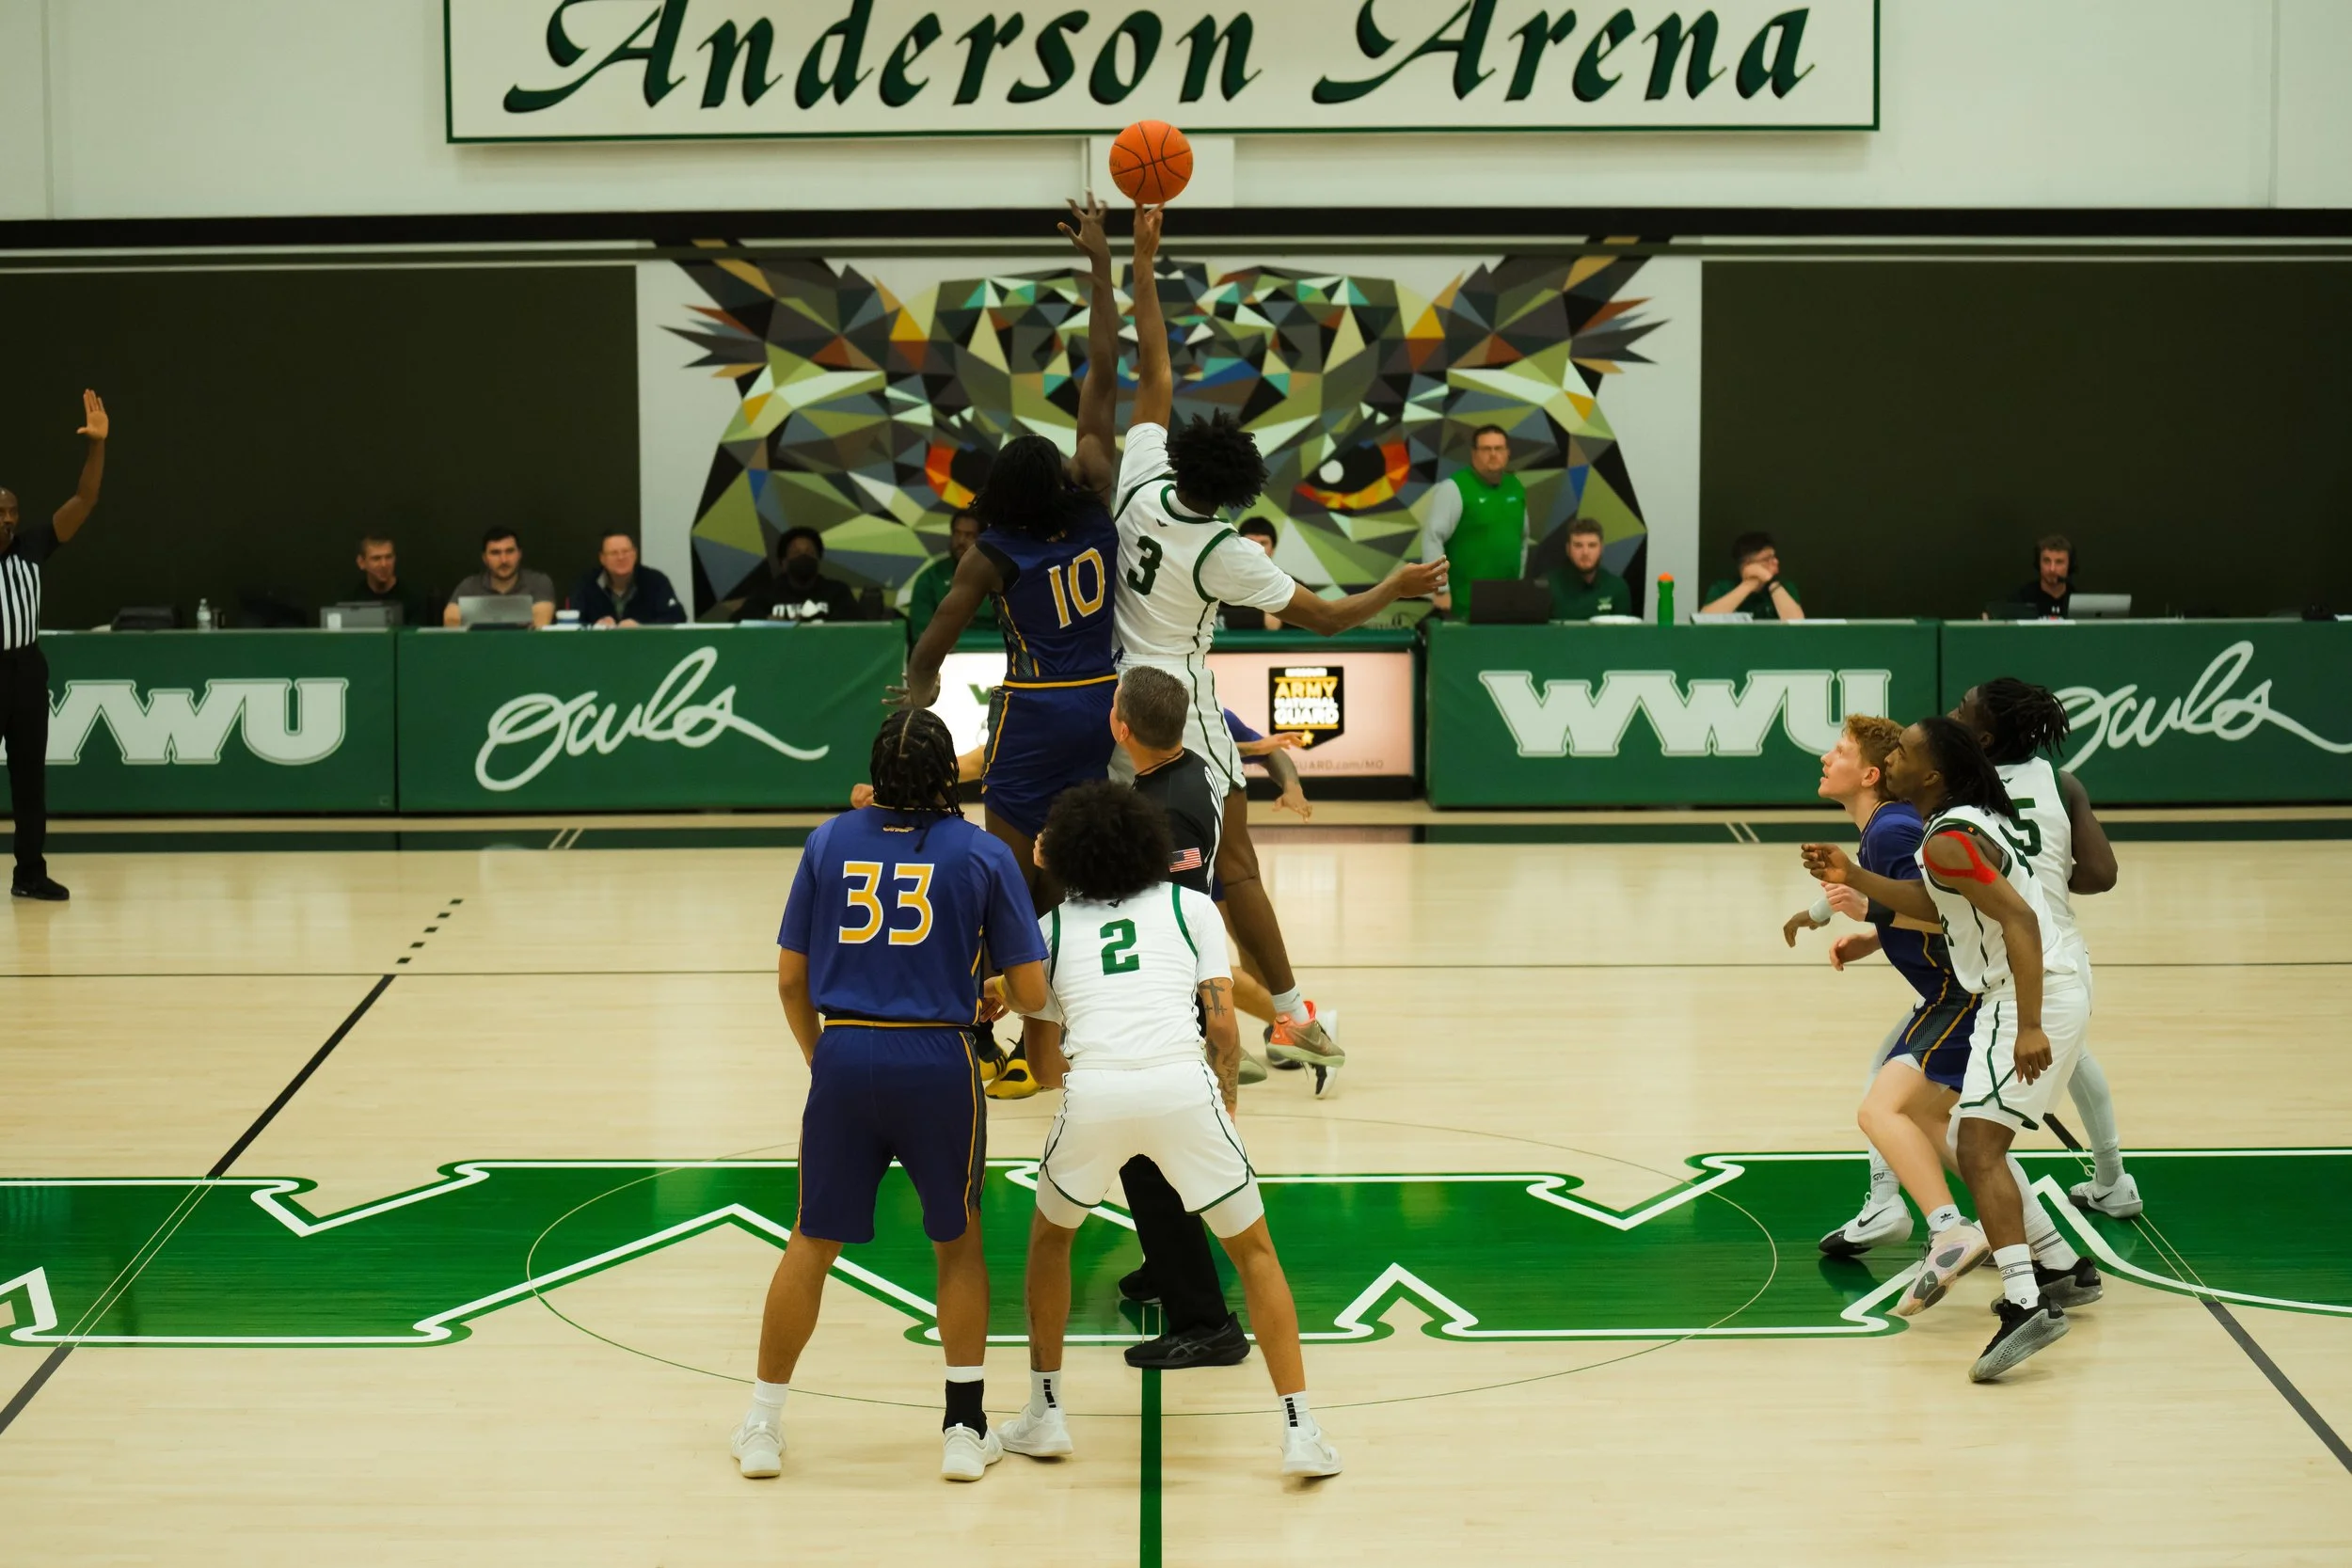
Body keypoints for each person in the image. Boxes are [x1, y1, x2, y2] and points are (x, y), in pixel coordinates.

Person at [1117, 203, 1447, 1077]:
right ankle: (1290, 1016)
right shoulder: (1223, 552)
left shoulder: (1139, 481)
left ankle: (1159, 1011)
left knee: (1129, 867)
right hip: (1181, 707)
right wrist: (1398, 584)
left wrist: (1141, 262)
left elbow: (1153, 365)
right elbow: (1334, 621)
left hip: (1116, 702)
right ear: (1232, 495)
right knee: (1236, 869)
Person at [730, 708, 1049, 1483]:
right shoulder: (983, 854)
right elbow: (1034, 988)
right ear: (950, 778)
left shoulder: (828, 840)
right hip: (938, 1059)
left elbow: (789, 978)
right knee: (958, 1240)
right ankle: (964, 1430)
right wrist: (987, 988)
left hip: (845, 1051)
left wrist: (823, 1054)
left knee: (811, 1238)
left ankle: (762, 1425)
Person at [998, 781, 1343, 1480]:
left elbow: (1040, 1065)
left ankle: (1045, 1411)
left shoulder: (1051, 929)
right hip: (1184, 1087)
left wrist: (1097, 1073)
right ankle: (1301, 1428)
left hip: (1094, 1090)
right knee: (1255, 1253)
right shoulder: (1191, 908)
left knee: (1050, 1241)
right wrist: (1221, 1095)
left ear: (1064, 855)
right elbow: (1221, 1022)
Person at [1804, 719, 2096, 1382]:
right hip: (2020, 989)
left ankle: (2025, 1298)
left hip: (2025, 991)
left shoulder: (1949, 836)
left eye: (1903, 752)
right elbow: (1929, 899)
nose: (1893, 758)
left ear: (1930, 775)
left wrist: (2027, 1025)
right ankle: (2049, 1270)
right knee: (1962, 1131)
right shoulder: (1950, 829)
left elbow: (2017, 919)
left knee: (1975, 1145)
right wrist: (1855, 878)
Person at [892, 195, 1124, 900]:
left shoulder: (991, 550)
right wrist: (1102, 270)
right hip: (1103, 697)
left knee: (1012, 858)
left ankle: (1013, 980)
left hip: (1034, 702)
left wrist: (920, 690)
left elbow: (938, 631)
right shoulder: (1095, 502)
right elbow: (1104, 374)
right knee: (1086, 845)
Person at [1782, 715, 1990, 1299]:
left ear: (1870, 773)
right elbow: (1912, 907)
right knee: (1929, 1120)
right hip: (1951, 993)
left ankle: (1948, 1228)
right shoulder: (1885, 827)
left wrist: (1870, 917)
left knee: (1884, 1111)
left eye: (1840, 750)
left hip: (1961, 993)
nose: (1826, 757)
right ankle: (2026, 1240)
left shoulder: (1893, 830)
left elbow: (1947, 913)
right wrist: (1870, 934)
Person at [1952, 676, 2139, 1217]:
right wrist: (2049, 884)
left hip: (2003, 950)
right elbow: (2102, 874)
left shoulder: (1964, 788)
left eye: (1962, 710)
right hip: (2066, 950)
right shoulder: (2063, 783)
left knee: (1953, 1079)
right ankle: (2112, 1179)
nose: (1952, 713)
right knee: (2076, 1056)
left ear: (1984, 740)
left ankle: (1982, 1206)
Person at [2, 389, 108, 903]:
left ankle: (29, 874)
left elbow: (85, 500)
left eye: (12, 512)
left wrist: (97, 448)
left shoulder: (34, 546)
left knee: (29, 781)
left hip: (25, 671)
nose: (7, 520)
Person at [1422, 423, 1525, 618]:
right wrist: (1440, 589)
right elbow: (1432, 538)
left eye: (1499, 449)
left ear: (1507, 453)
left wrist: (1518, 585)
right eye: (1486, 449)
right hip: (1464, 603)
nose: (1493, 454)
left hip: (1508, 602)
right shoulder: (1454, 488)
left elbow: (1522, 539)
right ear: (1474, 453)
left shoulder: (1516, 487)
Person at [900, 511, 997, 641]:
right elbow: (922, 633)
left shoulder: (999, 578)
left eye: (969, 535)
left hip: (994, 654)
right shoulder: (930, 578)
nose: (961, 541)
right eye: (957, 533)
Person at [737, 527, 864, 624]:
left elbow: (856, 623)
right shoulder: (766, 592)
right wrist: (766, 620)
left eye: (810, 552)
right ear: (784, 563)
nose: (804, 556)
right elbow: (738, 620)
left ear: (818, 560)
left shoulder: (837, 591)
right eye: (796, 552)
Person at [443, 528, 556, 627]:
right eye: (495, 553)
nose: (504, 560)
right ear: (485, 558)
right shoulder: (470, 585)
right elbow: (450, 620)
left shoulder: (538, 582)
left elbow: (541, 622)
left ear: (519, 554)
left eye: (510, 551)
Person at [569, 531, 685, 627]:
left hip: (646, 647)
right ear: (602, 558)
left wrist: (641, 627)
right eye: (614, 553)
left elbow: (677, 618)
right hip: (599, 648)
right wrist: (595, 627)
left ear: (635, 554)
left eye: (626, 551)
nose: (621, 557)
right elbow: (572, 622)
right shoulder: (587, 584)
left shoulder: (655, 581)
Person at [1701, 532, 1804, 621]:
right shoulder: (1723, 587)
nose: (1776, 562)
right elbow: (1705, 621)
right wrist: (1749, 584)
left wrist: (1772, 583)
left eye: (1774, 557)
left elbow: (1798, 624)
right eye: (1767, 559)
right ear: (1746, 566)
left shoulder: (1784, 586)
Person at [1546, 517, 1633, 621]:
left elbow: (1623, 635)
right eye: (1578, 546)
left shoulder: (1617, 588)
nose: (1585, 553)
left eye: (1592, 545)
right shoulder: (1549, 586)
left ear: (1601, 549)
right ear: (1568, 549)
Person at [1221, 518, 1284, 630]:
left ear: (1273, 550)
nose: (1257, 549)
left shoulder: (1291, 585)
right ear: (1237, 548)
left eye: (1263, 543)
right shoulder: (1217, 585)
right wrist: (1262, 619)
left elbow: (1313, 617)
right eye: (1250, 542)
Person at [350, 534, 424, 626]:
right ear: (361, 562)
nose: (384, 564)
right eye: (376, 558)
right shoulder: (351, 602)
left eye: (388, 557)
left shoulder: (413, 601)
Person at [2013, 534, 2074, 619]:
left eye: (2059, 562)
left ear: (2069, 566)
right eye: (2046, 561)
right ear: (2038, 564)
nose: (2052, 569)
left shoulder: (2079, 601)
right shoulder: (2021, 599)